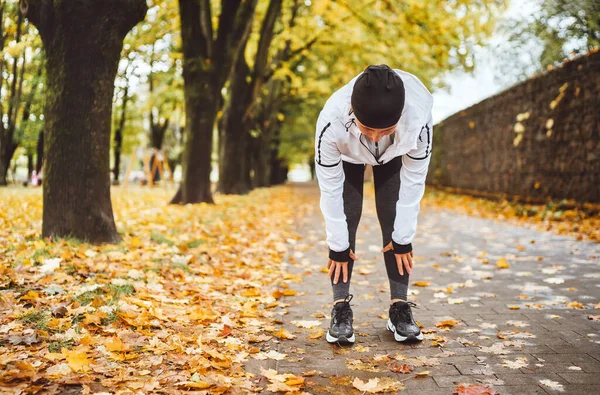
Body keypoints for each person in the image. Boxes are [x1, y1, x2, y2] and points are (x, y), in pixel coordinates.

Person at [314, 64, 433, 344]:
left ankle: (399, 308)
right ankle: (340, 307)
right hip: (347, 155)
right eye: (368, 129)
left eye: (385, 130)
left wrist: (403, 239)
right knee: (346, 220)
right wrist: (338, 247)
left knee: (395, 224)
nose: (376, 138)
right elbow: (329, 189)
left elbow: (414, 182)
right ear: (353, 114)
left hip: (395, 154)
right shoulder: (331, 123)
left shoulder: (418, 119)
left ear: (401, 116)